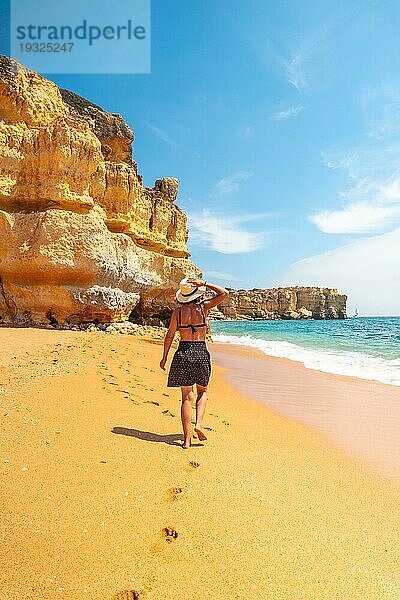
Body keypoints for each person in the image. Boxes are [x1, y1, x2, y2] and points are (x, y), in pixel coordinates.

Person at [160, 278, 229, 448]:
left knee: (186, 397)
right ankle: (198, 424)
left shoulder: (178, 312)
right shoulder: (203, 308)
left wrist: (164, 357)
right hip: (200, 351)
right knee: (202, 392)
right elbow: (224, 293)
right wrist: (203, 283)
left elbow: (170, 335)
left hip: (183, 352)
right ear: (196, 294)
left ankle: (186, 440)